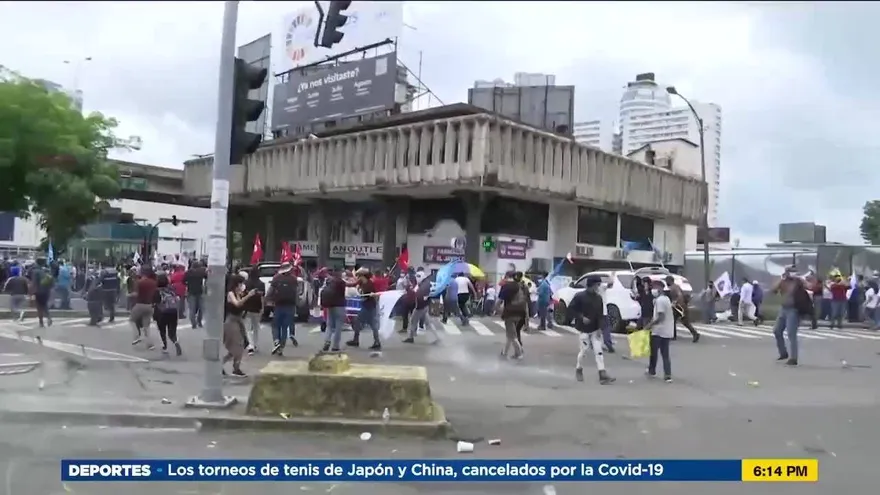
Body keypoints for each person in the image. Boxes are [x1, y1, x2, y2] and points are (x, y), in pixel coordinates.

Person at [568, 276, 615, 385]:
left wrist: (600, 328)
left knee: (598, 351)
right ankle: (579, 369)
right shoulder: (579, 296)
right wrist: (581, 317)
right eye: (597, 285)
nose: (598, 287)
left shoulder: (598, 298)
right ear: (591, 285)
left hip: (595, 329)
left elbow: (600, 315)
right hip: (583, 329)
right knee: (584, 351)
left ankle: (602, 374)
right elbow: (571, 309)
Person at [771, 266, 808, 366]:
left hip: (793, 310)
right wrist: (781, 280)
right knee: (777, 331)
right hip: (783, 309)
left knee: (791, 334)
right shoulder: (783, 282)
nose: (793, 273)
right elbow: (773, 290)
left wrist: (802, 280)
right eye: (791, 271)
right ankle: (783, 353)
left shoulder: (798, 282)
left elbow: (810, 286)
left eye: (794, 271)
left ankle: (793, 358)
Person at [223, 274, 256, 377]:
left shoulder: (239, 293)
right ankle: (228, 366)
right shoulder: (230, 294)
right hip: (231, 321)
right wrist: (248, 296)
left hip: (239, 320)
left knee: (241, 345)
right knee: (236, 346)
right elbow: (237, 304)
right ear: (236, 284)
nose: (242, 285)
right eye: (241, 283)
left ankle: (235, 367)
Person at [643, 280, 674, 383]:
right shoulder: (666, 299)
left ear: (660, 288)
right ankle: (668, 375)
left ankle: (652, 370)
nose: (653, 289)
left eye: (655, 287)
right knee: (665, 353)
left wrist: (649, 325)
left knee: (654, 352)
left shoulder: (660, 300)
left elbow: (660, 316)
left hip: (658, 331)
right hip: (667, 330)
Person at [267, 262, 300, 356]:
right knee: (285, 327)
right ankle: (281, 348)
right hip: (290, 305)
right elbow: (297, 293)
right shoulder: (294, 279)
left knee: (275, 325)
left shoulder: (276, 278)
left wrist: (267, 299)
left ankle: (276, 341)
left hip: (278, 305)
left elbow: (271, 291)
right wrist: (297, 304)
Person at [347, 268, 382, 351]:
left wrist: (373, 294)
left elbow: (376, 293)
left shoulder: (370, 284)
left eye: (359, 276)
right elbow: (352, 284)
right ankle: (376, 342)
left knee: (362, 323)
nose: (358, 277)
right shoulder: (361, 282)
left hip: (369, 306)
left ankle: (357, 340)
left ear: (363, 276)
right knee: (366, 323)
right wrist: (343, 283)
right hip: (366, 306)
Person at [497, 271, 527, 360]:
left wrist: (498, 311)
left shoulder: (506, 286)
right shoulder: (520, 285)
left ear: (506, 276)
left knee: (513, 336)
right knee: (509, 335)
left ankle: (519, 352)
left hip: (510, 313)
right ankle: (504, 352)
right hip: (520, 313)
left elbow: (498, 303)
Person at [403, 274, 439, 345]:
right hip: (424, 306)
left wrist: (413, 293)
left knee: (413, 320)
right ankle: (435, 337)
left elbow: (419, 295)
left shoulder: (423, 285)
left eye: (418, 277)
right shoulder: (425, 283)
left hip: (420, 307)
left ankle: (411, 337)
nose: (417, 278)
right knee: (427, 323)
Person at [153, 274, 182, 356]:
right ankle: (176, 342)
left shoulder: (157, 290)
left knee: (162, 330)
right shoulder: (171, 289)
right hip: (173, 311)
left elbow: (154, 301)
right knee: (172, 332)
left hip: (161, 312)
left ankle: (165, 346)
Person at [665, 275, 699, 343]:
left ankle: (695, 334)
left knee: (682, 321)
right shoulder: (675, 286)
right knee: (675, 321)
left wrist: (675, 302)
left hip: (679, 307)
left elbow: (680, 295)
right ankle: (674, 335)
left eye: (667, 281)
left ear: (670, 281)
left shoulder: (674, 287)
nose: (666, 282)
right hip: (679, 307)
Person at [321, 268, 347, 353]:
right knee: (338, 327)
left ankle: (326, 341)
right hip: (339, 306)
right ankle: (335, 346)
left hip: (330, 306)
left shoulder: (329, 282)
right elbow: (343, 293)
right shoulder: (341, 283)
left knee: (329, 326)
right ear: (339, 274)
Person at [130, 268, 157, 350]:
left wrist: (129, 295)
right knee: (146, 326)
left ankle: (137, 336)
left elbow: (136, 294)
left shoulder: (139, 282)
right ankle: (150, 344)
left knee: (132, 320)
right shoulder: (153, 282)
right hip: (149, 305)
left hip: (139, 304)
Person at [243, 266, 265, 355]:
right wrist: (263, 308)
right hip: (257, 307)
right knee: (256, 327)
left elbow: (243, 295)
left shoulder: (246, 283)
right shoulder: (261, 284)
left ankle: (250, 345)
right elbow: (262, 297)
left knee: (247, 328)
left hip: (247, 307)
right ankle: (255, 344)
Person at [29, 258, 54, 328]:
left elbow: (34, 283)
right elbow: (52, 282)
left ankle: (41, 323)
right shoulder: (47, 271)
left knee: (39, 307)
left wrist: (31, 292)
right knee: (44, 305)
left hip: (38, 291)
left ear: (37, 263)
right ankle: (49, 317)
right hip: (46, 291)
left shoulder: (35, 271)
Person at [184, 261, 207, 328]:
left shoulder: (188, 272)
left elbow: (183, 281)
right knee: (201, 308)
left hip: (191, 292)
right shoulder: (201, 272)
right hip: (200, 291)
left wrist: (188, 284)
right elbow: (207, 277)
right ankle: (199, 321)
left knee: (192, 309)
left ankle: (193, 323)